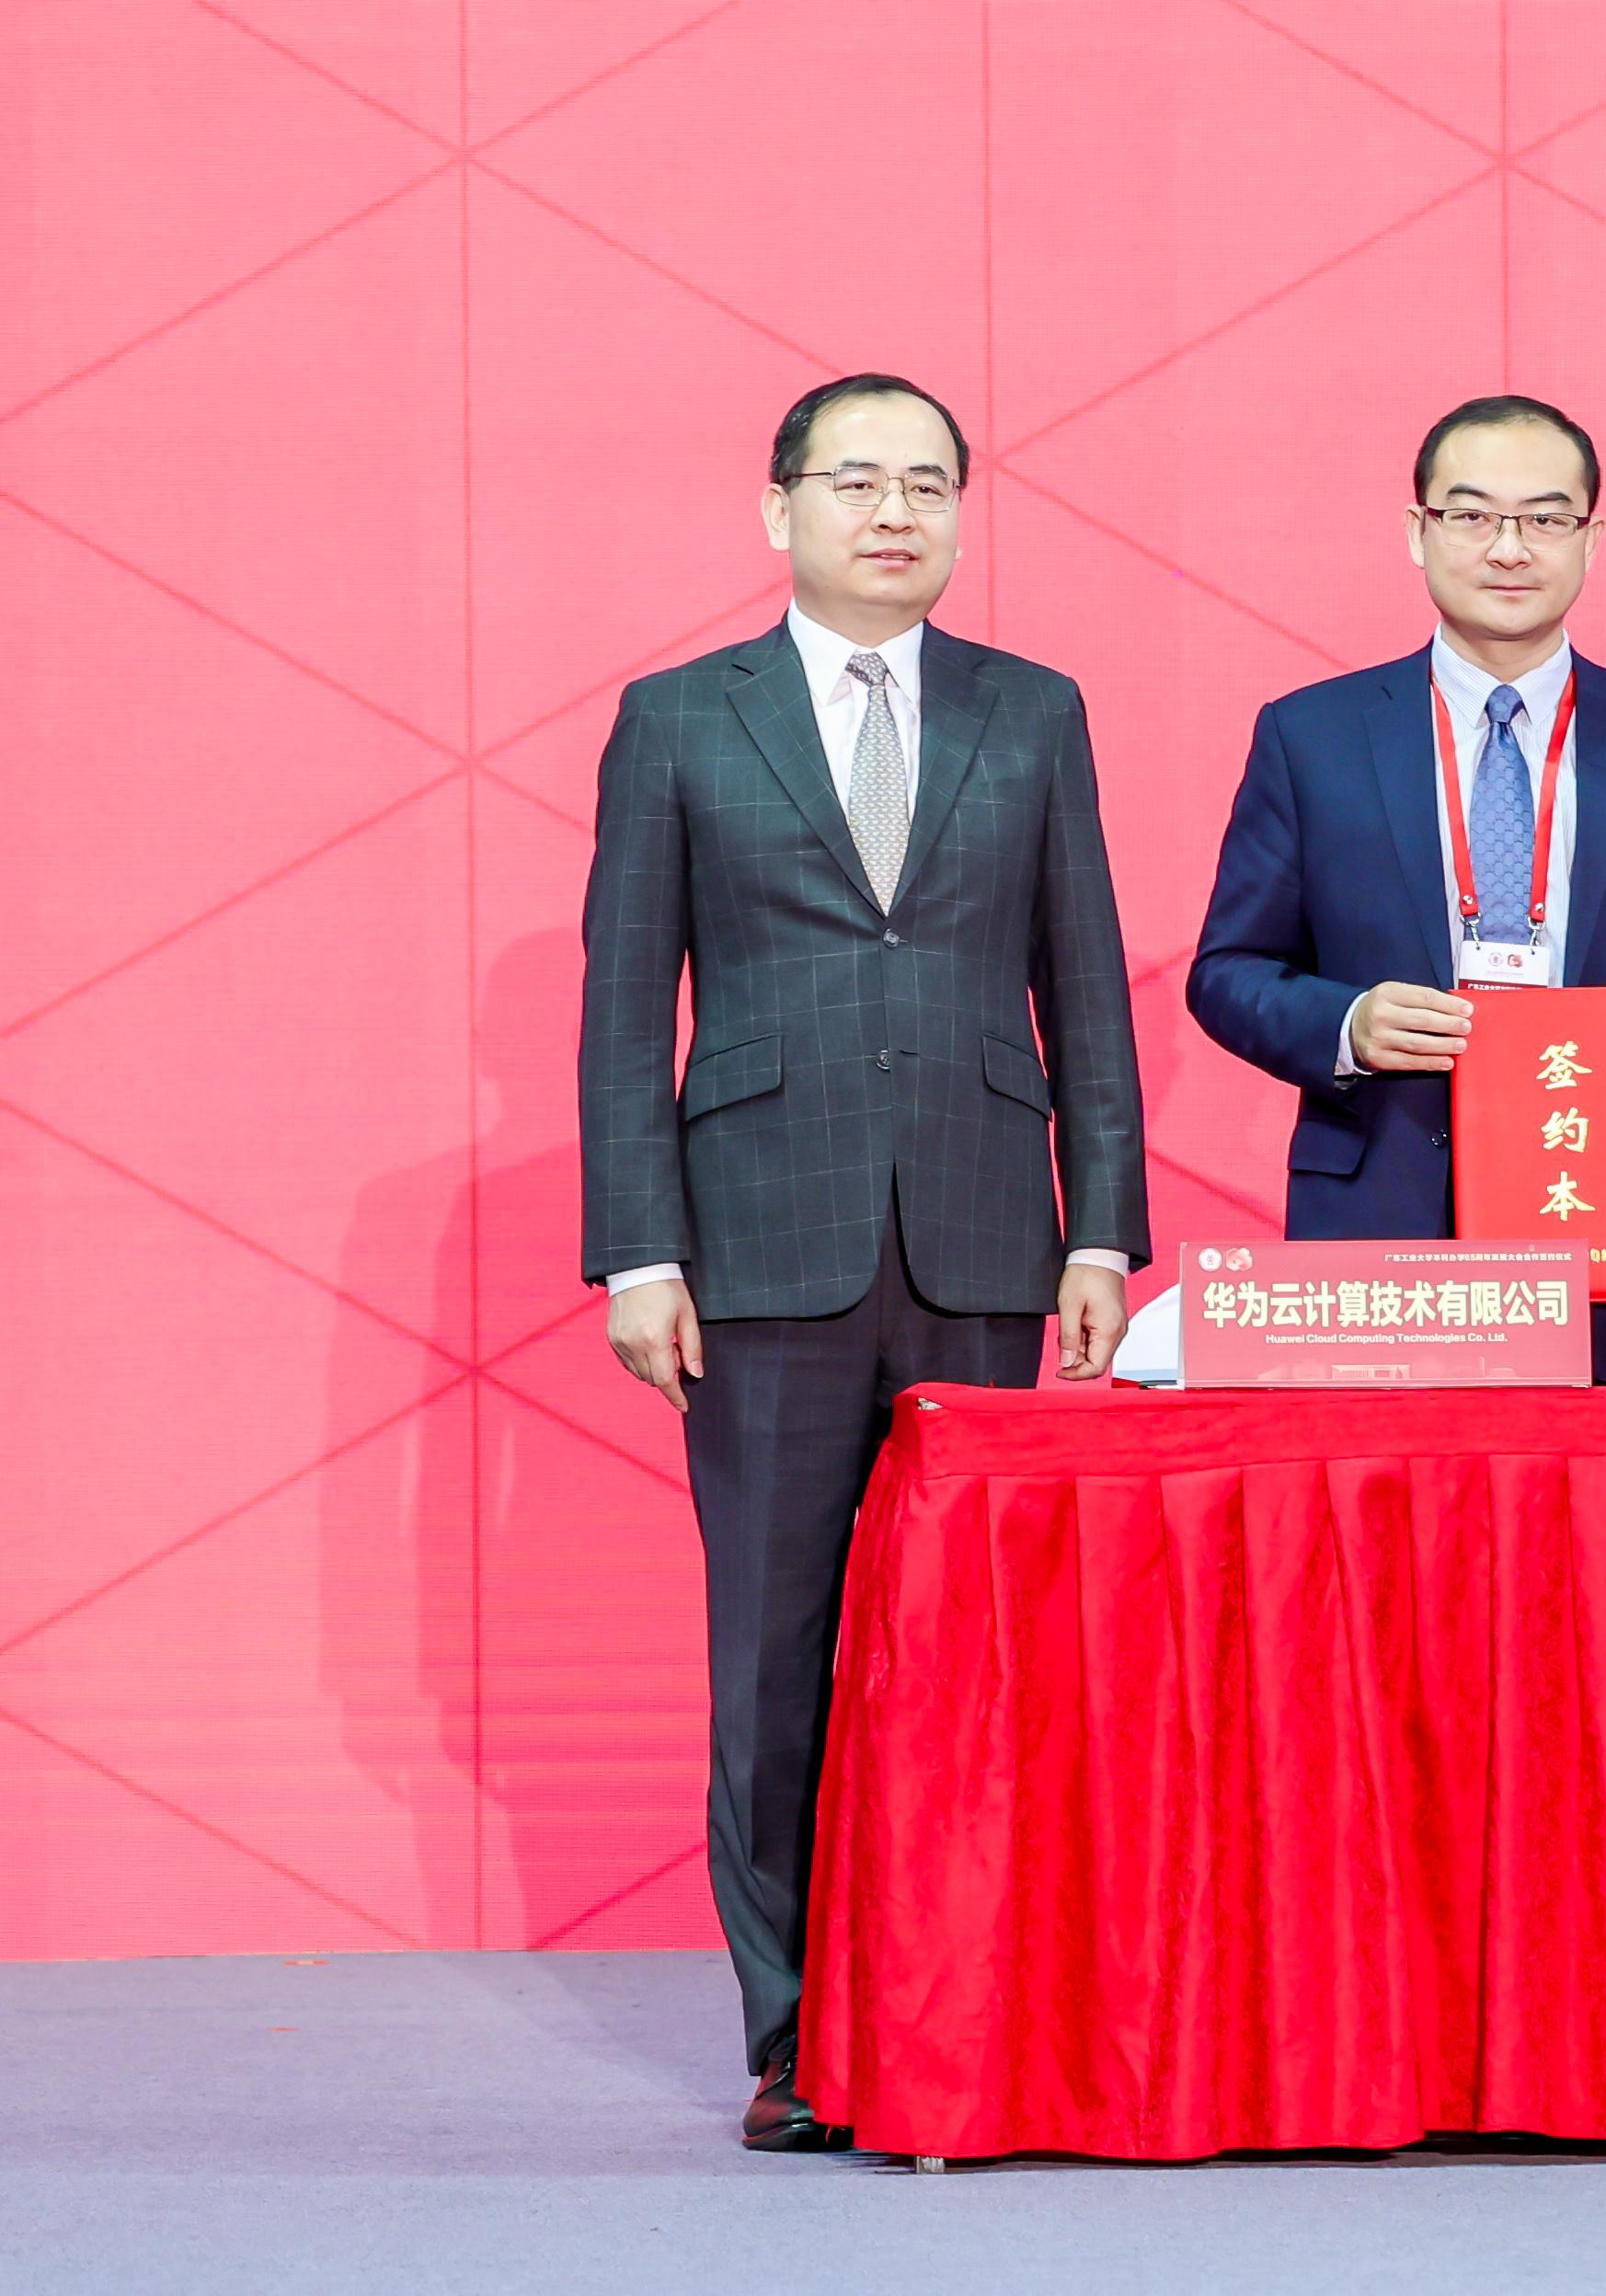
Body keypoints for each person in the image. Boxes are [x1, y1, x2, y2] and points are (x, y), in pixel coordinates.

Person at [578, 373, 1149, 2150]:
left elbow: (1085, 979)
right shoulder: (681, 718)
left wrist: (1101, 1223)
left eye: (926, 484)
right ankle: (797, 2038)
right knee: (774, 1659)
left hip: (982, 1234)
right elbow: (624, 1007)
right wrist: (638, 1251)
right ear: (780, 511)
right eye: (856, 482)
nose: (894, 512)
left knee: (970, 1650)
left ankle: (958, 2003)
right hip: (758, 1244)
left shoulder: (1032, 710)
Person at [1187, 394, 1606, 1383]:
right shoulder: (1312, 737)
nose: (1510, 548)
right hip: (1373, 1241)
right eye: (1472, 515)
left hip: (1599, 1231)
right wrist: (1348, 1025)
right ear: (1417, 532)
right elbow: (1228, 971)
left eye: (1546, 518)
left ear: (1592, 540)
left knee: (1587, 1491)